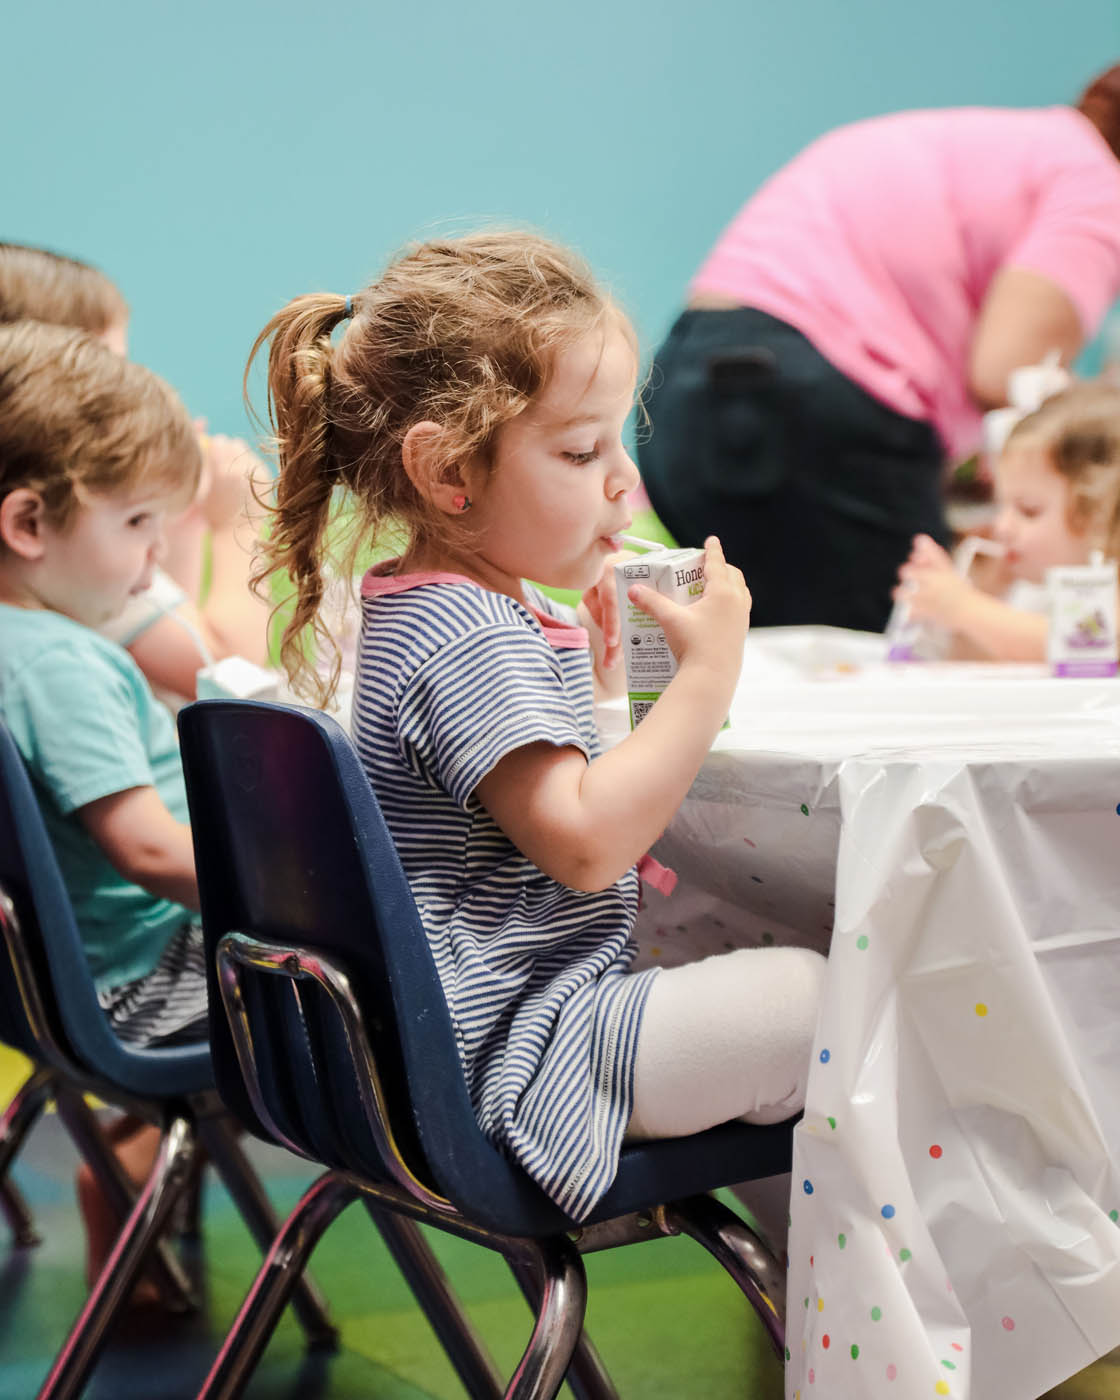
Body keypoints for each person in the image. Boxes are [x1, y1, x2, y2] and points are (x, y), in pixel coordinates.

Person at [250, 230, 827, 1229]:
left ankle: (800, 1292)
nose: (622, 484)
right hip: (520, 1053)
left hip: (489, 1029)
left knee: (769, 960)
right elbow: (586, 841)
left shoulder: (431, 603)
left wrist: (601, 685)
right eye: (578, 449)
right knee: (821, 997)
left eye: (618, 442)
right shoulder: (471, 632)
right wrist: (708, 672)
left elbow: (533, 799)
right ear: (445, 472)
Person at [638, 63, 1120, 634]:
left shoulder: (1011, 144)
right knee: (886, 659)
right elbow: (1008, 374)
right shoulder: (1097, 185)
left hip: (687, 397)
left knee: (777, 654)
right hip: (816, 406)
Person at [0, 321, 210, 1287]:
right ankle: (131, 1161)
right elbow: (150, 854)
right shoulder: (62, 664)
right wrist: (316, 894)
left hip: (48, 989)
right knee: (394, 959)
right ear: (29, 525)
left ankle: (136, 1166)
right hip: (137, 987)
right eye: (134, 525)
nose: (153, 553)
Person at [0, 241, 270, 701]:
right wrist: (240, 523)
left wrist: (174, 515)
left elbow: (165, 614)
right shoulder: (70, 563)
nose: (134, 385)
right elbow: (224, 676)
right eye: (112, 370)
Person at [895, 382, 1120, 660]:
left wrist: (965, 608)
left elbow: (1090, 645)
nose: (1002, 528)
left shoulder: (1111, 594)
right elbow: (983, 665)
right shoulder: (1029, 590)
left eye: (1028, 510)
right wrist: (950, 611)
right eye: (1000, 507)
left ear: (1102, 513)